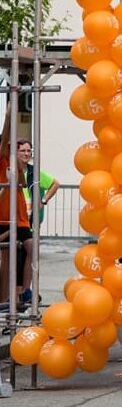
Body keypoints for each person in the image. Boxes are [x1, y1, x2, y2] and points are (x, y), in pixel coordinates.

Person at [0, 115, 30, 314]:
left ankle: (25, 292)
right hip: (4, 217)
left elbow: (23, 184)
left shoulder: (19, 165)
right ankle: (4, 299)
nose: (25, 153)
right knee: (7, 256)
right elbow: (4, 138)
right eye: (22, 150)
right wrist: (10, 115)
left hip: (20, 219)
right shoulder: (2, 159)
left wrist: (19, 164)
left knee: (31, 247)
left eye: (28, 151)